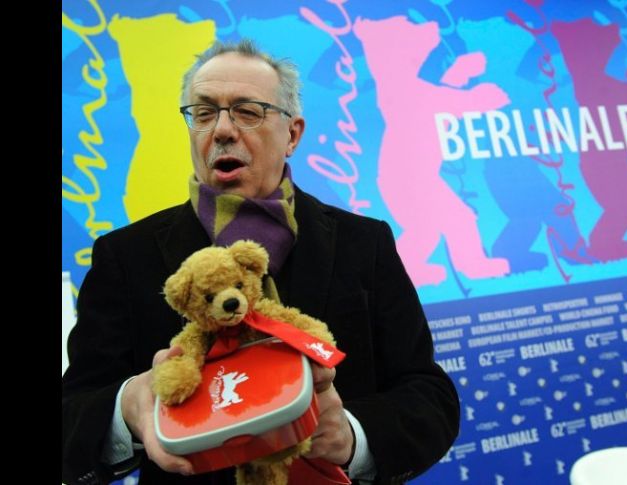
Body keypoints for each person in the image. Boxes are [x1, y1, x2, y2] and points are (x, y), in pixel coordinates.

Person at [61, 39, 460, 485]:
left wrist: (351, 436)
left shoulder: (364, 243)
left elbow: (428, 395)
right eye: (205, 112)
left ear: (292, 134)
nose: (223, 130)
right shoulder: (125, 255)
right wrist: (126, 409)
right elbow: (73, 412)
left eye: (247, 111)